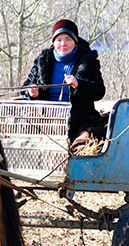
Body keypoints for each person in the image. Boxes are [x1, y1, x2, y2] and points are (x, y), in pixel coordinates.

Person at [22, 19, 107, 152]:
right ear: (53, 42)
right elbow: (25, 88)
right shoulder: (43, 60)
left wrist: (78, 84)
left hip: (79, 121)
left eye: (68, 39)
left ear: (75, 42)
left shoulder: (87, 60)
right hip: (46, 120)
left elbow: (99, 91)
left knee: (87, 142)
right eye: (59, 40)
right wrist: (31, 93)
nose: (63, 44)